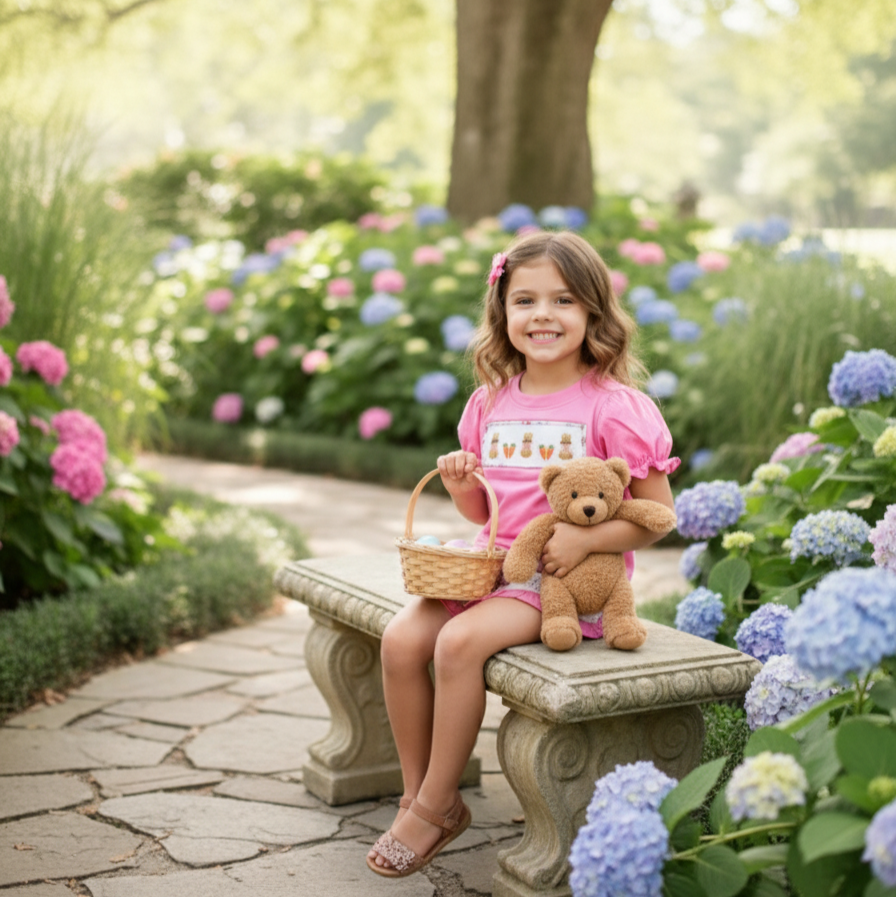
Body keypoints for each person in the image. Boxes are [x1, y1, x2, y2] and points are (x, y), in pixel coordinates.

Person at [366, 230, 679, 877]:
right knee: (400, 640)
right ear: (502, 312)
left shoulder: (614, 406)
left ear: (593, 312)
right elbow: (487, 513)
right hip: (490, 566)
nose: (542, 314)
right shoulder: (491, 401)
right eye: (525, 299)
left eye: (563, 300)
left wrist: (590, 535)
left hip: (561, 585)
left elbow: (659, 516)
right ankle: (424, 791)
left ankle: (429, 810)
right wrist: (460, 486)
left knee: (457, 644)